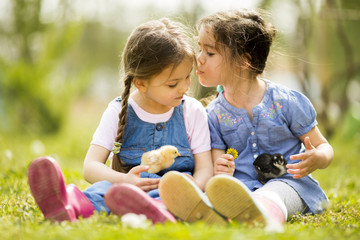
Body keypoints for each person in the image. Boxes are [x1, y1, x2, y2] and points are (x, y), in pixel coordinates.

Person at [27, 18, 217, 224]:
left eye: (187, 77)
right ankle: (66, 204)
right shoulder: (118, 110)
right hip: (124, 189)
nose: (184, 88)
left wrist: (194, 187)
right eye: (173, 84)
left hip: (174, 194)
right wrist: (125, 180)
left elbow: (205, 167)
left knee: (184, 201)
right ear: (141, 83)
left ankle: (156, 211)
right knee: (101, 191)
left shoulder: (192, 111)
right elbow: (91, 167)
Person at [159, 9, 333, 227]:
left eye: (210, 53)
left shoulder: (285, 102)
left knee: (273, 193)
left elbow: (324, 146)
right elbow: (216, 166)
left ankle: (264, 219)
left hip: (290, 186)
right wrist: (220, 169)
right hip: (239, 191)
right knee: (221, 194)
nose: (199, 59)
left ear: (243, 61)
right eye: (200, 49)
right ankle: (207, 212)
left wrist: (319, 157)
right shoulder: (213, 114)